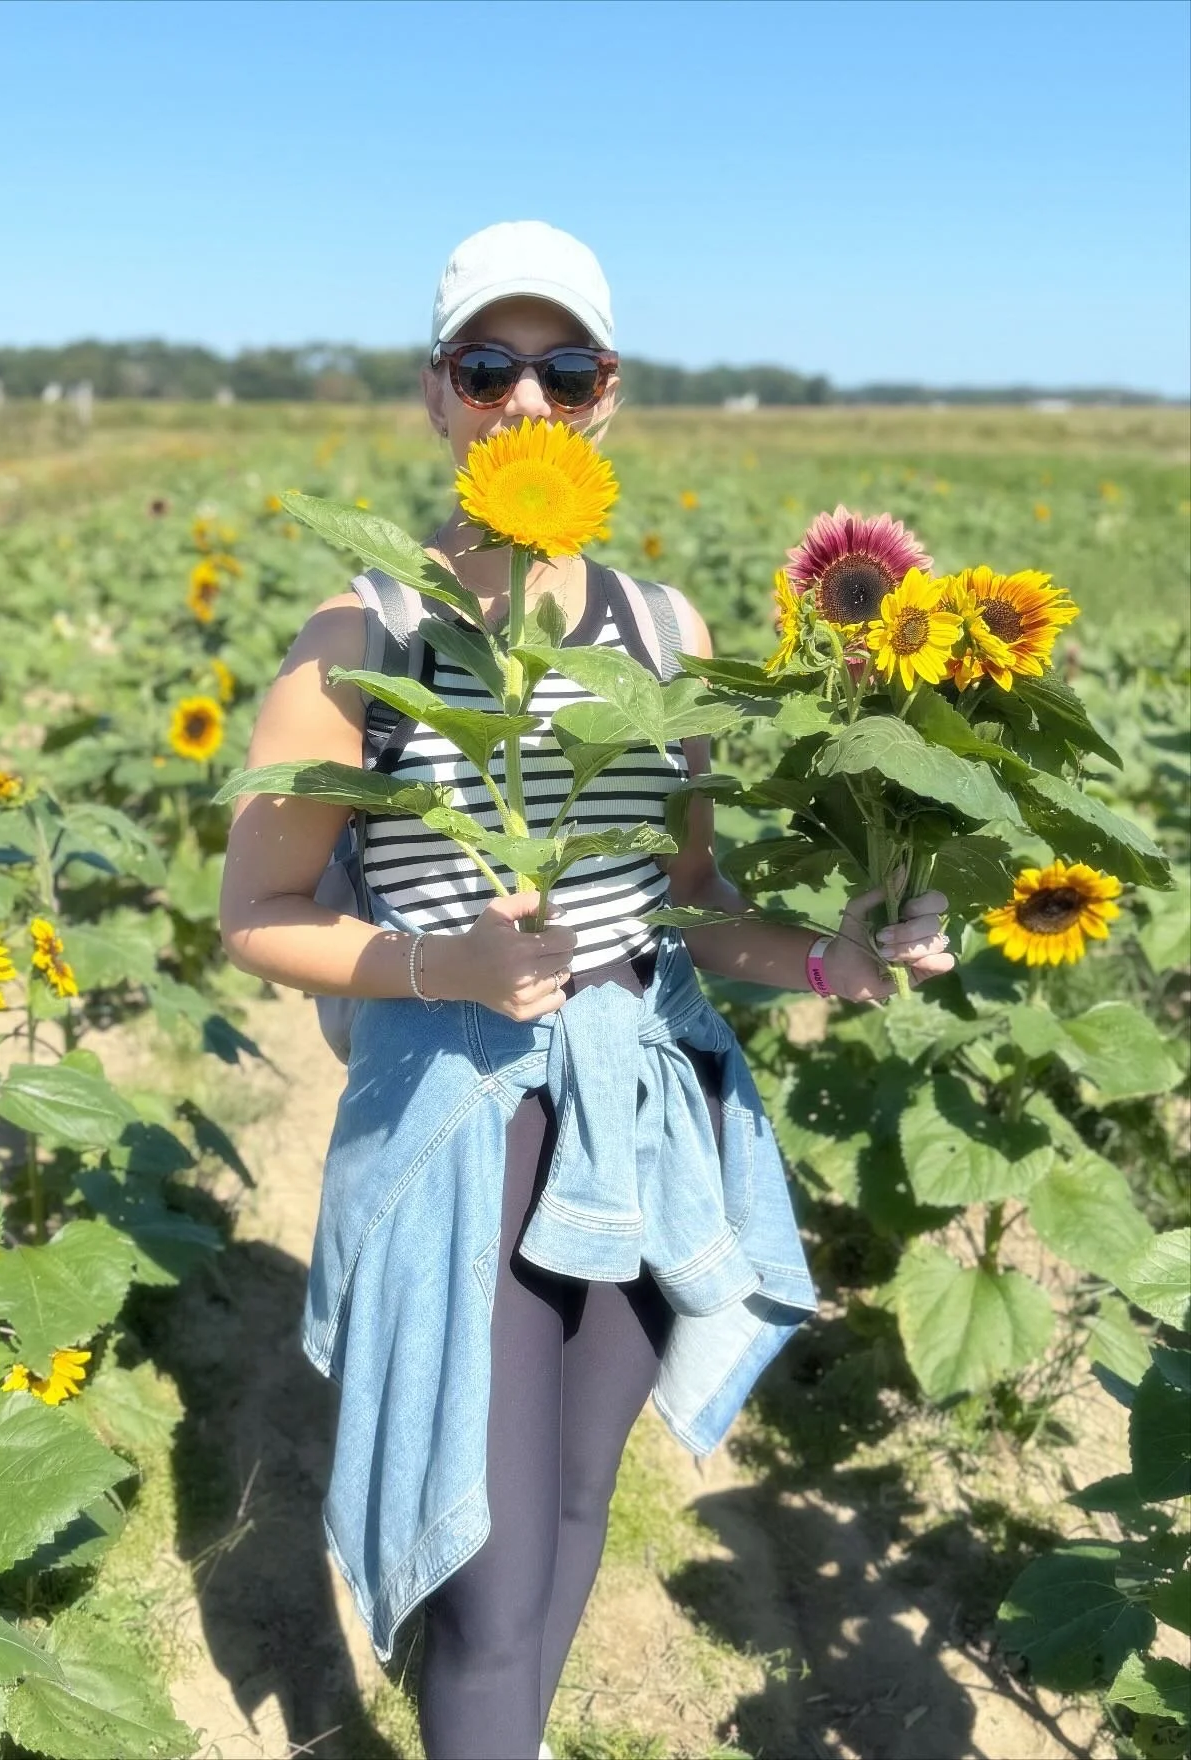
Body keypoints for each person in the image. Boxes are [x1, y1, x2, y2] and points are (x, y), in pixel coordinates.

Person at [219, 221, 954, 1760]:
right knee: (486, 1589)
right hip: (457, 1119)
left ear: (609, 396)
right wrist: (451, 964)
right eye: (491, 368)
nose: (527, 404)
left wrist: (838, 959)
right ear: (438, 397)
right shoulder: (365, 638)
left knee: (564, 1510)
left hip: (638, 1104)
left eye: (565, 369)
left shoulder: (660, 630)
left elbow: (687, 906)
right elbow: (258, 913)